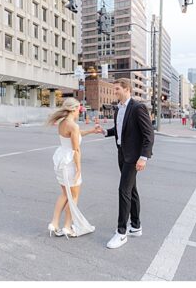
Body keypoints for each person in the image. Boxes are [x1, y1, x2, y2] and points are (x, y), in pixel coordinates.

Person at [99, 78, 154, 249]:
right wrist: (106, 131)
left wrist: (143, 157)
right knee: (132, 190)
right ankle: (136, 226)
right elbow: (120, 130)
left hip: (133, 157)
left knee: (123, 191)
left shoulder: (138, 108)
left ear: (127, 89)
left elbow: (148, 134)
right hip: (122, 154)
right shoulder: (118, 109)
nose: (114, 92)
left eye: (117, 89)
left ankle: (121, 232)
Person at [46, 97, 99, 238]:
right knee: (74, 196)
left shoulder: (63, 123)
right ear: (74, 109)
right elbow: (76, 149)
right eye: (79, 109)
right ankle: (67, 227)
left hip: (60, 160)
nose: (80, 112)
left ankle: (54, 223)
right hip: (70, 164)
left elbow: (75, 136)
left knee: (64, 194)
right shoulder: (73, 126)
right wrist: (79, 169)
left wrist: (91, 131)